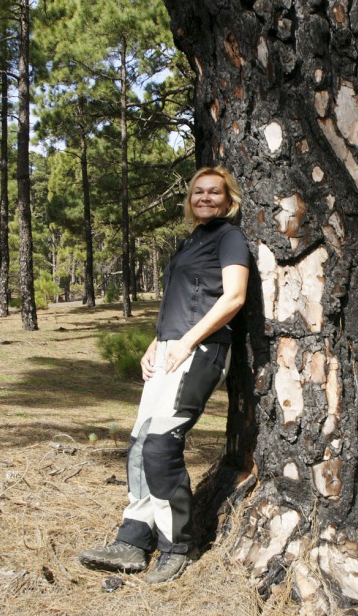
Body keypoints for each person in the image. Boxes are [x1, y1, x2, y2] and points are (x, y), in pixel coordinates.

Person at [79, 166, 249, 584]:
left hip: (201, 350)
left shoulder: (230, 237)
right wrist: (156, 342)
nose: (205, 198)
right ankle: (133, 540)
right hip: (170, 350)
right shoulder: (192, 241)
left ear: (229, 200)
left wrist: (187, 341)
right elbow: (180, 300)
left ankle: (179, 546)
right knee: (140, 444)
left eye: (214, 192)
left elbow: (234, 297)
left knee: (160, 444)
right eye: (198, 192)